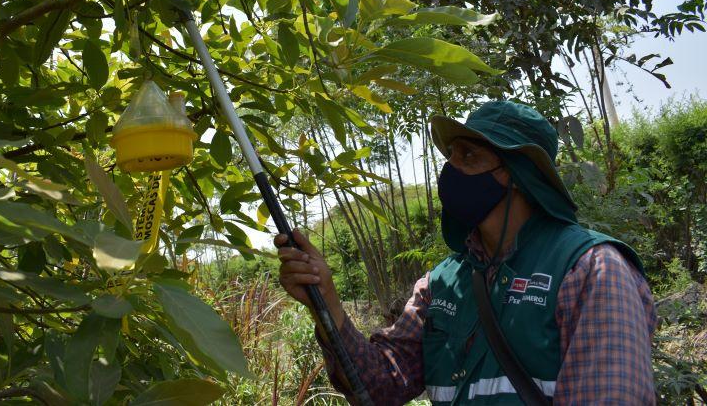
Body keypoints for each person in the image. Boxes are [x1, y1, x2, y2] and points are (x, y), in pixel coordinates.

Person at [276, 101, 657, 405]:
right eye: (451, 156)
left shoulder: (591, 270)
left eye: (468, 157)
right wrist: (327, 304)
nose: (450, 170)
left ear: (516, 174)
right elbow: (380, 386)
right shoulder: (442, 284)